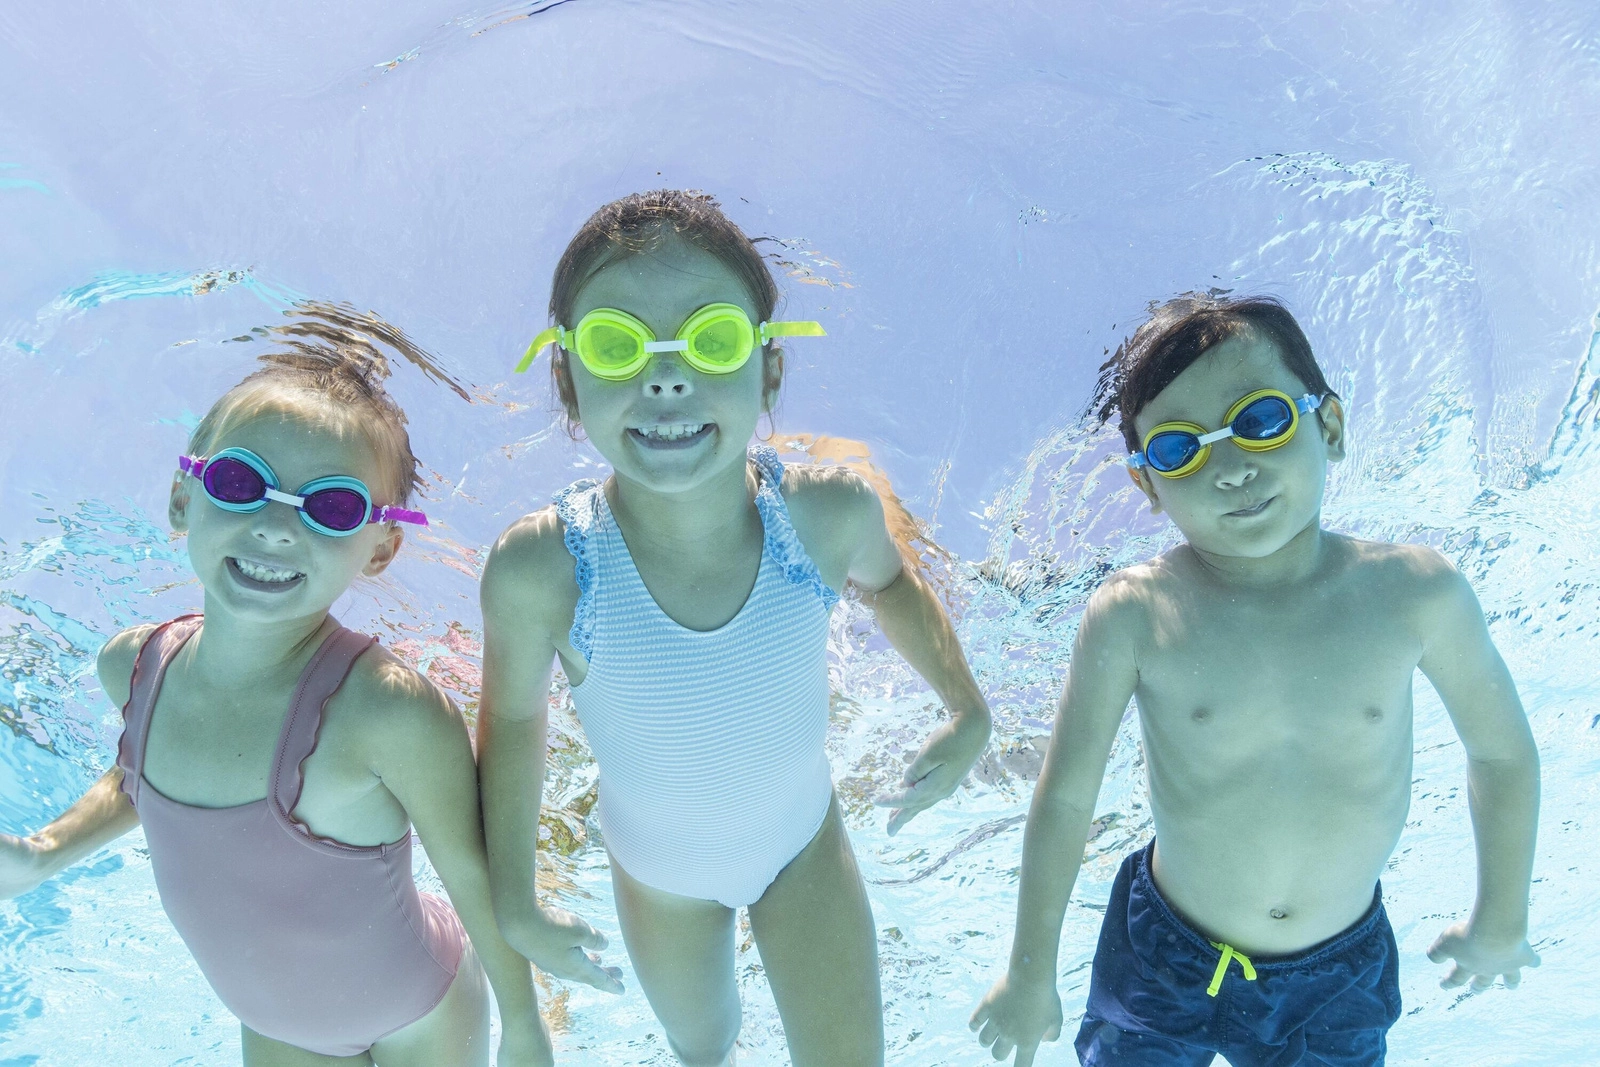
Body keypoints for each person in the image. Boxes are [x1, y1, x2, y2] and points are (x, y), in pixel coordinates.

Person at [478, 189, 991, 1067]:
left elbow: (893, 586)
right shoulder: (544, 568)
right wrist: (515, 899)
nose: (665, 377)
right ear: (567, 381)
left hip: (804, 852)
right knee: (704, 1045)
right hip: (661, 882)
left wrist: (966, 706)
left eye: (711, 339)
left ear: (770, 371)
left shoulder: (827, 514)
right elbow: (514, 719)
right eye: (615, 344)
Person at [970, 294, 1541, 1066]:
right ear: (1148, 486)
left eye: (1261, 419)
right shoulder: (1134, 613)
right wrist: (1028, 972)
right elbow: (1068, 798)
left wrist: (1502, 917)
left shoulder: (1415, 594)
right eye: (1180, 449)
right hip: (1164, 956)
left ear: (1329, 425)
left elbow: (1500, 754)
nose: (1232, 468)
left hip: (1335, 976)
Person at [0, 343, 551, 1066]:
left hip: (419, 1012)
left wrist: (524, 1026)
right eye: (240, 482)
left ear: (380, 548)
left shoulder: (387, 713)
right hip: (275, 1026)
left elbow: (474, 874)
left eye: (331, 507)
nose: (276, 526)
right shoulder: (134, 669)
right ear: (182, 496)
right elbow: (143, 776)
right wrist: (42, 855)